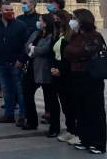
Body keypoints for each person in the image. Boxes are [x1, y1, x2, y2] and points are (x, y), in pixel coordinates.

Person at [65, 9, 106, 154]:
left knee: (94, 110)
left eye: (74, 18)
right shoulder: (75, 36)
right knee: (81, 109)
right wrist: (72, 50)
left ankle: (98, 142)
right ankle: (85, 139)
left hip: (91, 77)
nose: (72, 21)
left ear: (82, 20)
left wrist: (72, 50)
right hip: (77, 75)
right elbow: (68, 52)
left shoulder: (95, 36)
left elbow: (85, 51)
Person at [0, 2, 27, 126]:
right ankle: (9, 114)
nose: (9, 12)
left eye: (11, 9)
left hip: (16, 63)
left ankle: (23, 115)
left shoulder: (20, 25)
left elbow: (25, 45)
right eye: (6, 10)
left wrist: (21, 60)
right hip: (0, 63)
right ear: (1, 11)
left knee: (19, 90)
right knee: (6, 89)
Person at [21, 13, 56, 132]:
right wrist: (32, 49)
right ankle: (31, 121)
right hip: (32, 68)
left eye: (40, 20)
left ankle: (53, 122)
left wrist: (33, 49)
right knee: (26, 92)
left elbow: (45, 49)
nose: (38, 22)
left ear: (46, 23)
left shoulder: (51, 36)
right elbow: (27, 45)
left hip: (45, 69)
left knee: (50, 96)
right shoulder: (36, 33)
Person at [50, 10, 78, 144]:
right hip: (57, 74)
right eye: (54, 18)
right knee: (65, 105)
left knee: (71, 104)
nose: (55, 21)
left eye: (57, 18)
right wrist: (53, 68)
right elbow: (54, 54)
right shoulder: (56, 34)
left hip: (67, 74)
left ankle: (75, 131)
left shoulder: (71, 36)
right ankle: (70, 129)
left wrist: (60, 70)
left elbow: (70, 57)